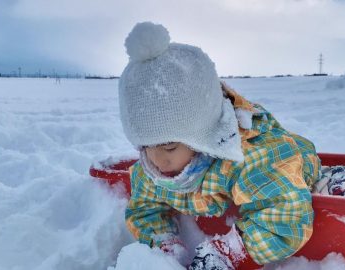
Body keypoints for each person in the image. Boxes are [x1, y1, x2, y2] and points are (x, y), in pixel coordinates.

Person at [118, 22, 321, 269]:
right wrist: (164, 248)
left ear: (204, 138)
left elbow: (284, 218)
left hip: (293, 168)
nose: (158, 160)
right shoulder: (150, 169)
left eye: (169, 147)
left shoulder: (249, 159)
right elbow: (143, 211)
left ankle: (342, 180)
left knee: (323, 183)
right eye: (146, 146)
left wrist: (225, 255)